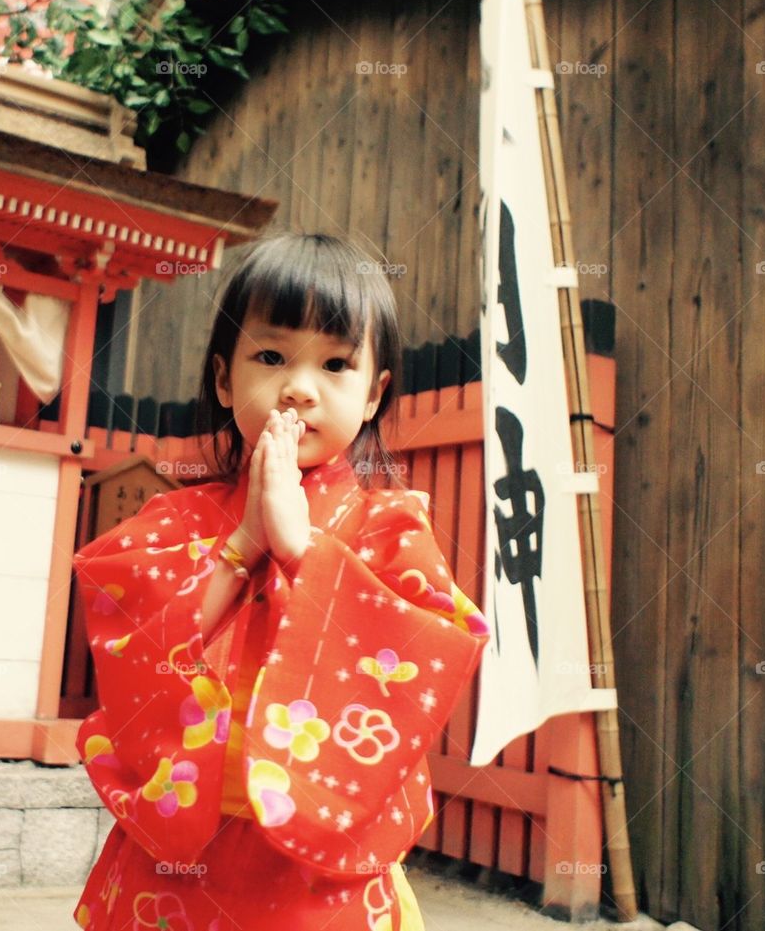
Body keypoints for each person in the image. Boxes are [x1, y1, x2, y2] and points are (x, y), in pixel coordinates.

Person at [72, 232, 490, 931]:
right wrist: (242, 547)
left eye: (335, 363)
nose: (300, 385)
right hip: (179, 853)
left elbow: (435, 649)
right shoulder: (170, 520)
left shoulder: (389, 525)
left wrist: (302, 552)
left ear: (374, 393)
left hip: (320, 870)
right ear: (224, 378)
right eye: (271, 356)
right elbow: (136, 649)